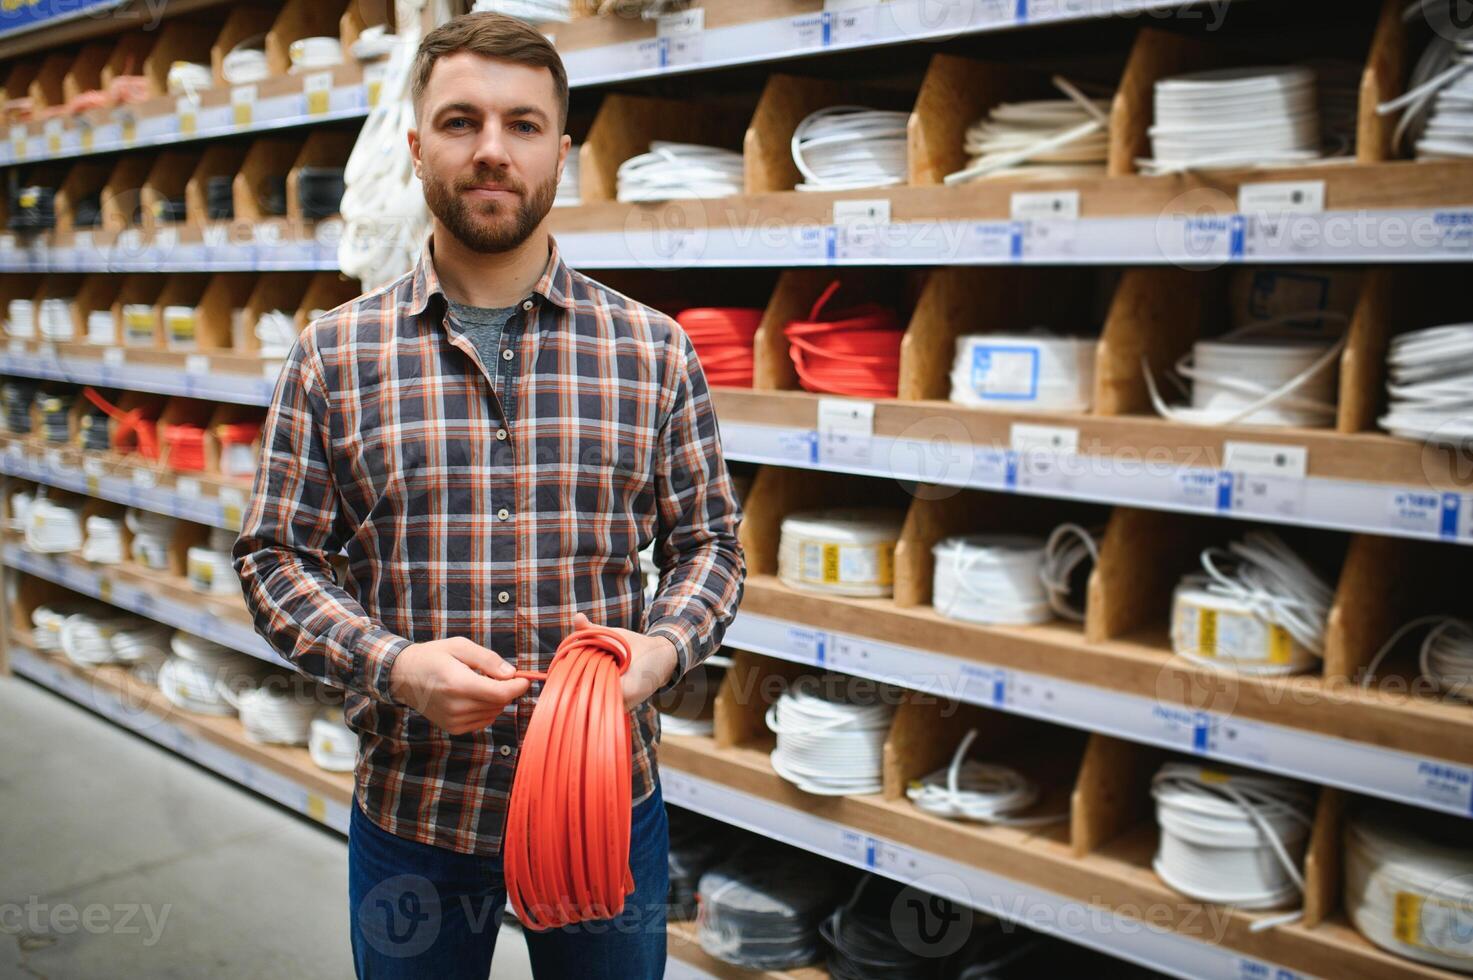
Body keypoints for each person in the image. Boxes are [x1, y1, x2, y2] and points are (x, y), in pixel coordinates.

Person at [233, 12, 746, 978]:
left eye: (521, 124)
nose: (491, 151)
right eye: (461, 121)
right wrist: (392, 665)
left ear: (561, 148)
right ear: (416, 144)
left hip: (602, 799)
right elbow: (275, 560)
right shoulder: (336, 355)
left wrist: (661, 648)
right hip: (416, 806)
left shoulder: (652, 351)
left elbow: (710, 547)